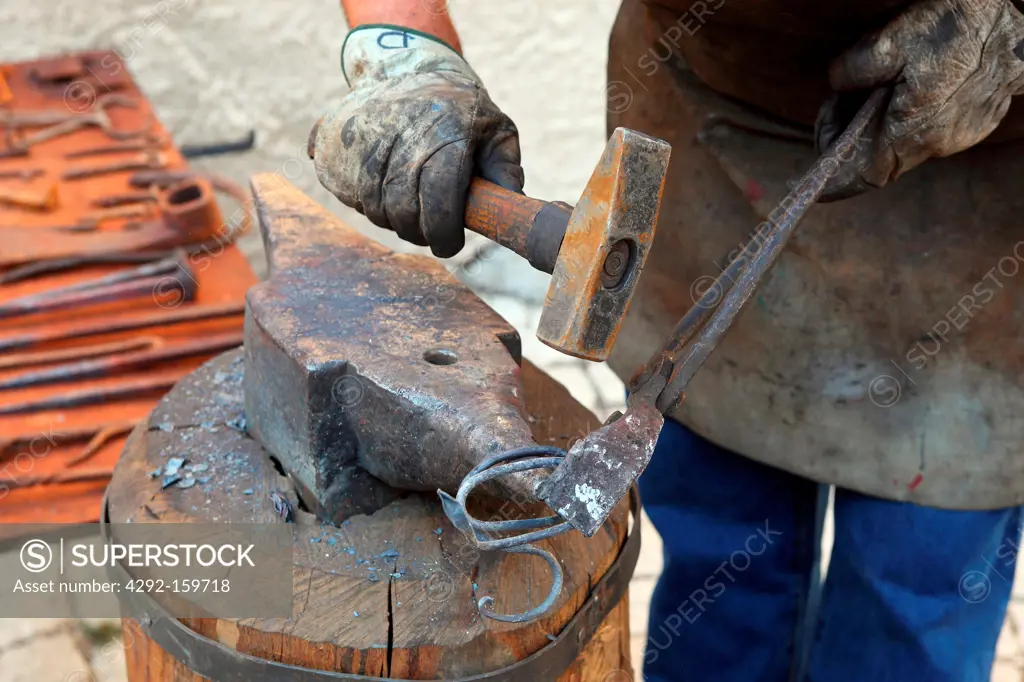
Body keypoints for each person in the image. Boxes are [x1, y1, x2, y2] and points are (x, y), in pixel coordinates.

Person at [312, 1, 1024, 680]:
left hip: (976, 184)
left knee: (914, 581)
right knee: (723, 560)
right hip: (704, 136)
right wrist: (407, 53)